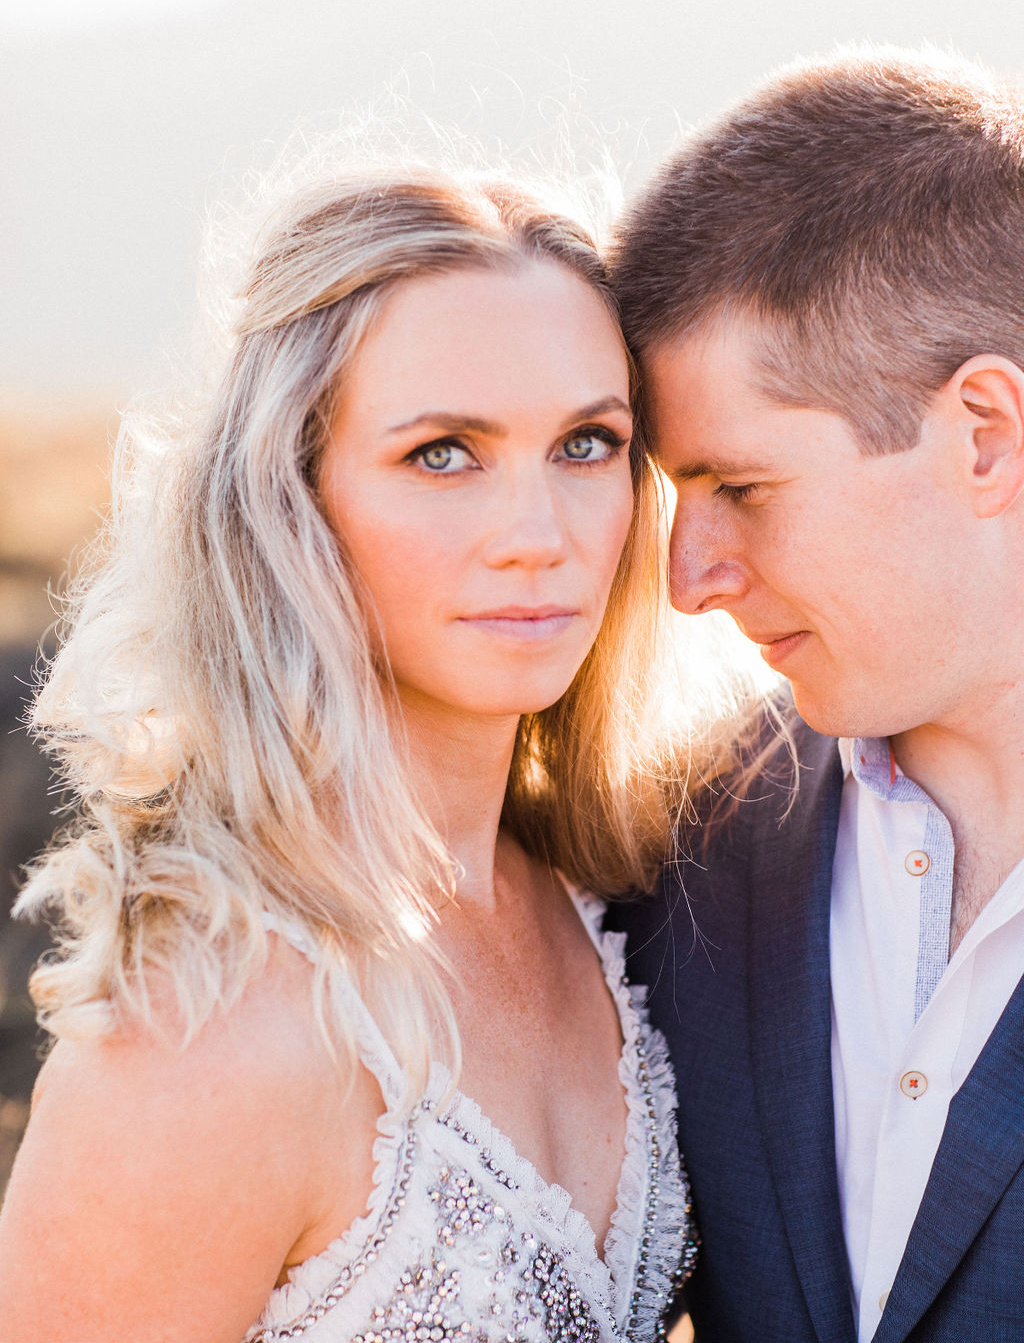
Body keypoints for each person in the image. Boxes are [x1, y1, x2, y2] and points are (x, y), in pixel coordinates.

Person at [0, 165, 698, 1340]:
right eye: (442, 453)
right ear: (290, 498)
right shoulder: (202, 1030)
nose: (539, 537)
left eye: (586, 443)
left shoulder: (603, 900)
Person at [608, 47, 1024, 1343]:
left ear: (984, 434)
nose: (689, 577)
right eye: (670, 496)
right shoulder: (671, 854)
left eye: (738, 485)